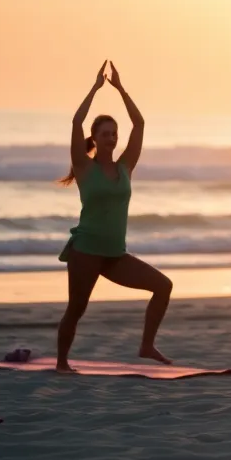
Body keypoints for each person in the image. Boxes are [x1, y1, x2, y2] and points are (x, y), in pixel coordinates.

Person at [56, 61, 172, 371]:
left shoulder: (125, 168)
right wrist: (95, 88)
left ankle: (147, 345)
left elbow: (140, 124)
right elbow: (75, 121)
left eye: (114, 133)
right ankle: (62, 363)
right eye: (105, 133)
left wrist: (121, 89)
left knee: (163, 286)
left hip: (114, 254)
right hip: (86, 252)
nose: (112, 137)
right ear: (94, 137)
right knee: (76, 309)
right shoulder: (84, 166)